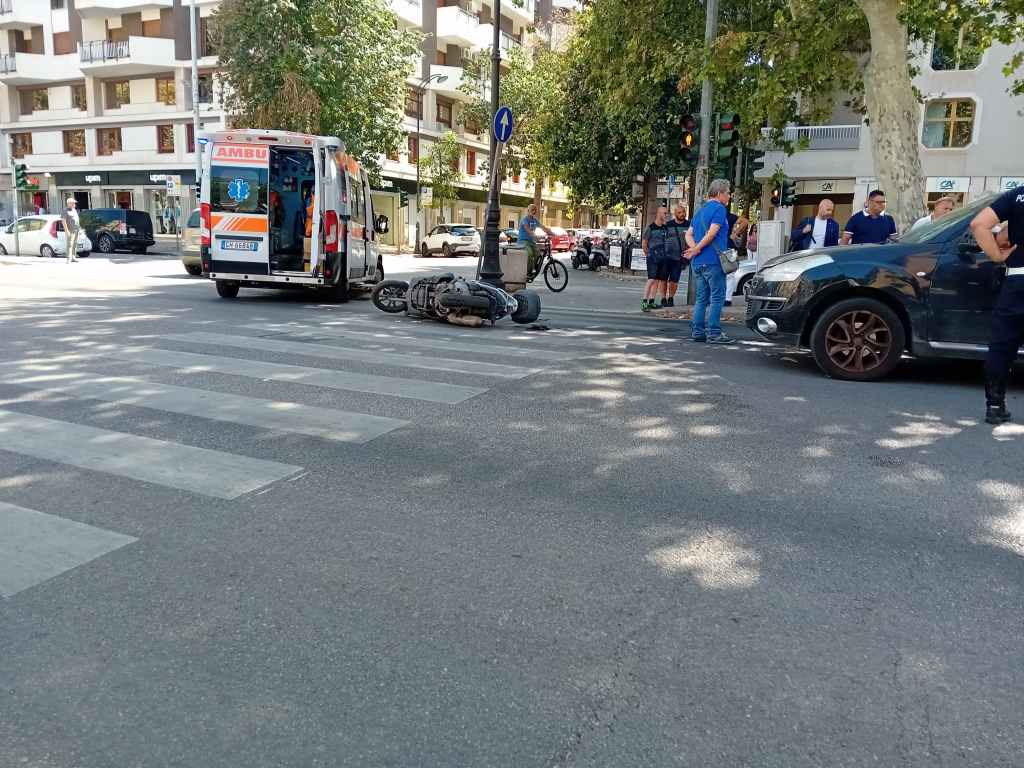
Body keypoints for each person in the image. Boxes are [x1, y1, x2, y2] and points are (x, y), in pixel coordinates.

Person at [969, 184, 1024, 424]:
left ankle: (995, 405)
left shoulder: (1018, 194)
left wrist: (996, 256)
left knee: (1003, 344)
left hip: (1018, 279)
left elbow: (978, 224)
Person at [684, 178, 734, 344]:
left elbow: (688, 234)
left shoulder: (700, 211)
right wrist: (697, 248)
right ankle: (714, 332)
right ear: (719, 193)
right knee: (717, 297)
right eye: (727, 193)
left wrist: (694, 249)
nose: (729, 196)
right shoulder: (719, 209)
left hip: (698, 262)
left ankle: (698, 332)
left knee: (701, 299)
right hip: (713, 261)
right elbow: (712, 234)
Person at [640, 205, 671, 311]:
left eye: (667, 213)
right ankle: (644, 302)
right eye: (664, 213)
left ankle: (651, 301)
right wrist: (648, 254)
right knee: (651, 279)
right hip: (652, 257)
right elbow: (644, 243)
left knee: (657, 280)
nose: (666, 215)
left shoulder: (664, 227)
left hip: (662, 257)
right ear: (658, 214)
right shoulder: (650, 228)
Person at [662, 203, 690, 308]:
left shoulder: (689, 225)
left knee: (674, 279)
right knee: (663, 279)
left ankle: (670, 298)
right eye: (680, 212)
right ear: (675, 214)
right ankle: (663, 298)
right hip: (666, 256)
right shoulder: (668, 225)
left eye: (683, 212)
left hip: (679, 257)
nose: (682, 214)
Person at [518, 204, 552, 275]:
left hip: (531, 242)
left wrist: (552, 233)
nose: (534, 211)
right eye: (532, 210)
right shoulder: (525, 220)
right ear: (528, 211)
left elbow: (543, 227)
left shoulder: (535, 220)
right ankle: (527, 272)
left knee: (538, 254)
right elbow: (528, 230)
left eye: (535, 210)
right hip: (523, 241)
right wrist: (536, 236)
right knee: (529, 254)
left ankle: (534, 268)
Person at [61, 197, 81, 263]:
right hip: (70, 230)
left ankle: (73, 257)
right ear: (69, 203)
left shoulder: (74, 210)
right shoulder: (65, 211)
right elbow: (63, 221)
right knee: (70, 244)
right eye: (73, 203)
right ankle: (68, 258)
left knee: (75, 243)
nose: (74, 204)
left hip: (76, 229)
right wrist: (67, 231)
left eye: (74, 203)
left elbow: (77, 220)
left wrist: (79, 229)